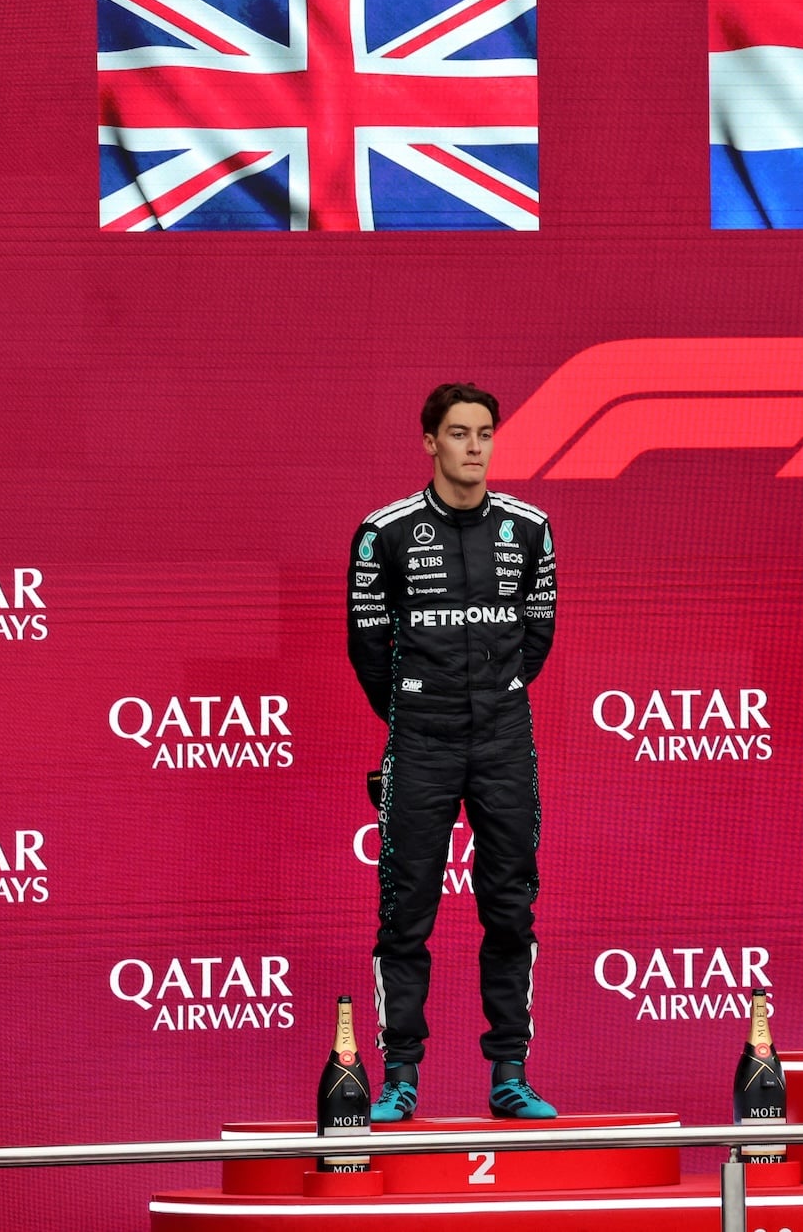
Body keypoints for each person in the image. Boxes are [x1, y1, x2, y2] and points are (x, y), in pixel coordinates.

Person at [347, 382, 558, 1121]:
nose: (475, 447)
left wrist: (493, 696)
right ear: (429, 442)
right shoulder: (385, 532)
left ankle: (510, 1072)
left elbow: (538, 634)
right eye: (460, 433)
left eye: (485, 433)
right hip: (421, 738)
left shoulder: (530, 528)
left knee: (511, 909)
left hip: (503, 738)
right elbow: (368, 648)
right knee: (406, 913)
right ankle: (399, 1074)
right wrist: (418, 709)